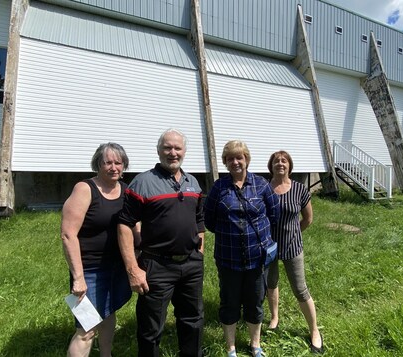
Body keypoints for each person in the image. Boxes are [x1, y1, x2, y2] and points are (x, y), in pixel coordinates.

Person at [118, 128, 205, 357]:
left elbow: (199, 220)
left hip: (191, 265)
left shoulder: (193, 182)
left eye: (177, 148)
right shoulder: (143, 182)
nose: (172, 152)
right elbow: (125, 225)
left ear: (184, 151)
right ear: (158, 151)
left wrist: (200, 251)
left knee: (193, 321)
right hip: (157, 266)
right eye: (167, 147)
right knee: (150, 328)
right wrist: (133, 269)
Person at [204, 140, 280, 357]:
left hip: (257, 259)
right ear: (225, 163)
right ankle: (231, 348)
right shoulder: (219, 187)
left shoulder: (261, 184)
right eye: (230, 158)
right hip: (228, 259)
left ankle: (255, 344)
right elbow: (209, 220)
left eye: (239, 157)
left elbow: (273, 214)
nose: (235, 162)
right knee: (229, 303)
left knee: (255, 302)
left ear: (246, 159)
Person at [61, 142, 136, 357]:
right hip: (90, 270)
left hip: (117, 267)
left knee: (108, 313)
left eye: (118, 163)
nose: (114, 167)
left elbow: (134, 227)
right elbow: (68, 234)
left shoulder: (126, 191)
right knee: (86, 330)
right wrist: (78, 277)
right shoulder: (85, 189)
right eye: (108, 162)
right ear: (98, 164)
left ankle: (106, 354)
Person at [265, 150, 323, 354]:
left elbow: (307, 219)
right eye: (276, 161)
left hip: (292, 247)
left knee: (300, 289)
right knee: (271, 283)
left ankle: (314, 330)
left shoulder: (299, 189)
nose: (280, 163)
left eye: (284, 161)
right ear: (270, 166)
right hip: (269, 248)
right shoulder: (264, 189)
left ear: (289, 165)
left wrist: (294, 233)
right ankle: (274, 317)